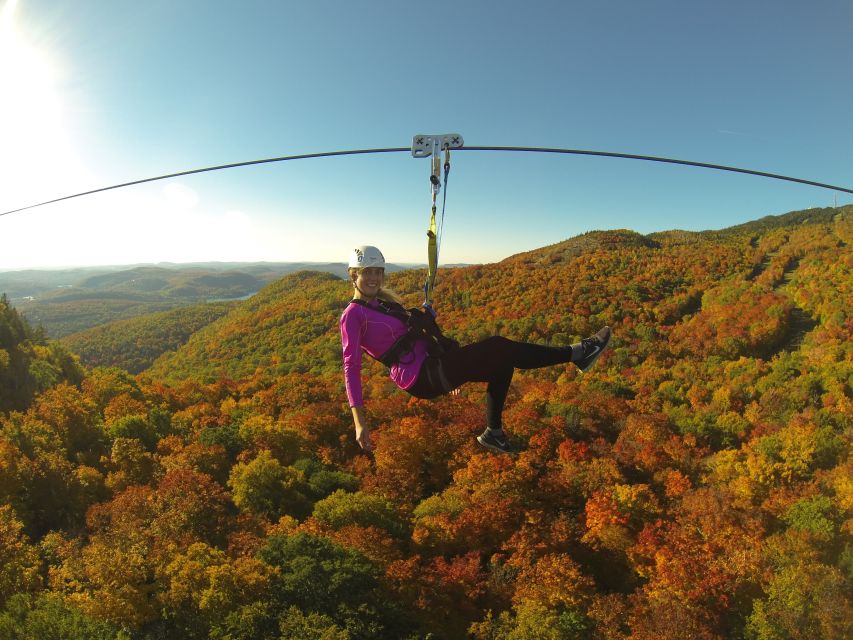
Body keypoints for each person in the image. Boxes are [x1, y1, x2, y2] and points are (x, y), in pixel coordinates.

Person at [340, 245, 611, 454]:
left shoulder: (382, 304)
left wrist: (448, 355)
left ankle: (494, 432)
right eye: (367, 272)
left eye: (378, 272)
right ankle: (578, 353)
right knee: (498, 346)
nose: (374, 278)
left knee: (502, 364)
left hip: (433, 364)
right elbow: (351, 368)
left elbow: (411, 336)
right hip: (420, 376)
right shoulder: (353, 314)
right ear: (354, 275)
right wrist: (359, 421)